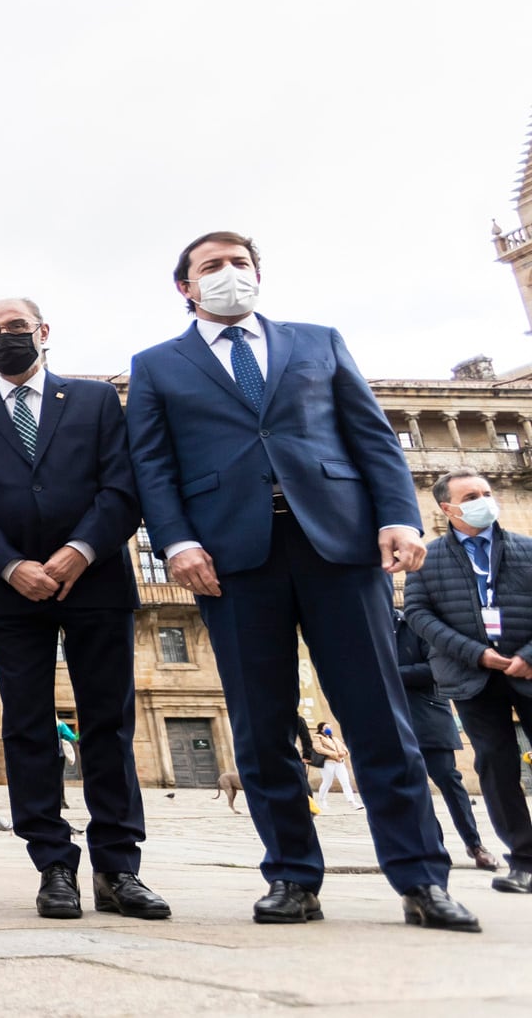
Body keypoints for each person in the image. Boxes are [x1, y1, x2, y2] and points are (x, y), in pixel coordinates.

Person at [126, 232, 475, 931]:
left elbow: (371, 435)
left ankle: (421, 878)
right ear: (185, 287)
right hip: (231, 558)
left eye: (240, 263)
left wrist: (400, 517)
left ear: (258, 273)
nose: (230, 273)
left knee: (380, 718)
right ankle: (291, 876)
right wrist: (177, 542)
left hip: (339, 545)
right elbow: (152, 465)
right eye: (212, 266)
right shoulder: (157, 365)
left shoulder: (319, 341)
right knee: (261, 726)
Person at [0, 296, 167, 921]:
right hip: (11, 592)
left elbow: (121, 486)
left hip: (95, 580)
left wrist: (79, 551)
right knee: (27, 726)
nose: (5, 337)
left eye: (16, 327)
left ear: (43, 332)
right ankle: (53, 866)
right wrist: (12, 565)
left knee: (108, 723)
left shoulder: (95, 400)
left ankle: (118, 867)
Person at [403, 469, 532, 893]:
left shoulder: (527, 549)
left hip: (528, 668)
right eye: (471, 496)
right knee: (496, 767)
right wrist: (477, 654)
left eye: (486, 492)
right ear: (447, 508)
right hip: (471, 676)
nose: (484, 501)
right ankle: (524, 862)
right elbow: (418, 614)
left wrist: (527, 656)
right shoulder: (426, 558)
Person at [393, 603, 498, 871]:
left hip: (428, 720)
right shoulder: (370, 633)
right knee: (413, 788)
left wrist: (390, 673)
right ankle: (434, 847)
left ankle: (475, 844)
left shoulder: (415, 626)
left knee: (449, 782)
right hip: (392, 723)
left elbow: (435, 669)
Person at [311, 723, 362, 809]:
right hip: (327, 763)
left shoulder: (335, 739)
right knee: (327, 782)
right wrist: (335, 754)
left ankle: (352, 802)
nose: (328, 729)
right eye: (326, 727)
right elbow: (318, 749)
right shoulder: (318, 737)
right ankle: (322, 801)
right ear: (321, 729)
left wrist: (343, 752)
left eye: (329, 727)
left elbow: (344, 747)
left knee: (345, 782)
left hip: (339, 763)